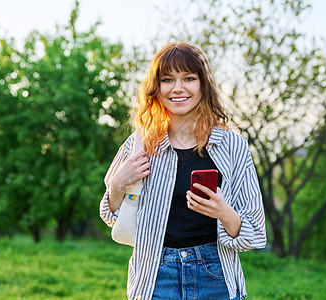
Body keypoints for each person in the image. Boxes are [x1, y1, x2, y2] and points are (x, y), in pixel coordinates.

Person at [100, 42, 266, 300]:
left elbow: (254, 232)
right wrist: (116, 186)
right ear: (156, 89)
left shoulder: (233, 146)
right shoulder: (140, 144)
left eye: (189, 78)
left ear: (203, 85)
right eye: (168, 79)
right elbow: (112, 218)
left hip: (216, 274)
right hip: (155, 274)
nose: (178, 88)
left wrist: (223, 212)